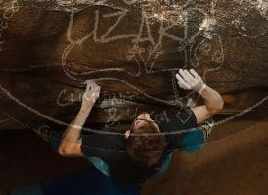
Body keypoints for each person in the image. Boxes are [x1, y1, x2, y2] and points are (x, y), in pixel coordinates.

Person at [44, 68, 224, 187]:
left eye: (141, 121)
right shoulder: (170, 132)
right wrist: (201, 87)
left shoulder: (108, 144)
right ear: (161, 133)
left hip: (119, 173)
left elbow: (65, 149)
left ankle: (48, 134)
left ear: (127, 134)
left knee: (65, 141)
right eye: (148, 120)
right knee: (191, 136)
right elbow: (215, 106)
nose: (145, 115)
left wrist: (85, 109)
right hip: (154, 168)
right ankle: (200, 135)